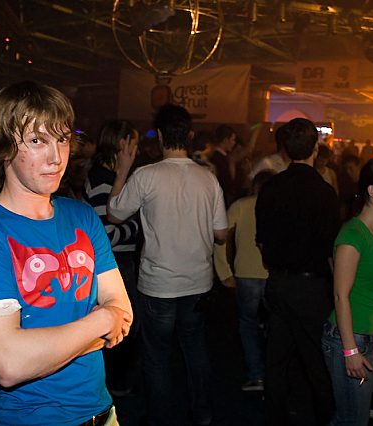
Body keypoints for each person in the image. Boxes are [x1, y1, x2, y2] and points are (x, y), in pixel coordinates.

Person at [0, 81, 133, 426]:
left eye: (62, 139)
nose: (56, 157)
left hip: (103, 414)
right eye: (37, 141)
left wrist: (43, 350)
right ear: (3, 147)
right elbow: (10, 365)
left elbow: (123, 314)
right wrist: (101, 320)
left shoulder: (82, 216)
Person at [107, 103, 228, 426]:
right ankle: (203, 413)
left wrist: (122, 170)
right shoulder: (208, 178)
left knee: (157, 355)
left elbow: (115, 214)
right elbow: (221, 233)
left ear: (159, 136)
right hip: (198, 282)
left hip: (158, 284)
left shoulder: (146, 176)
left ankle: (160, 418)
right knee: (195, 346)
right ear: (189, 135)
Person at [255, 118, 341, 426]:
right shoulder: (324, 193)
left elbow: (262, 243)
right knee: (317, 362)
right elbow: (332, 250)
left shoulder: (271, 188)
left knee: (276, 362)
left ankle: (275, 419)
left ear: (285, 149)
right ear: (316, 148)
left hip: (278, 283)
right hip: (311, 289)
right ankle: (326, 419)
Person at [321, 158, 373, 426]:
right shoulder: (352, 235)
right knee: (352, 419)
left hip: (371, 339)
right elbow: (340, 295)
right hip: (348, 339)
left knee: (354, 416)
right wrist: (350, 351)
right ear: (372, 191)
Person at [84, 119, 142, 397]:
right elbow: (106, 236)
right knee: (121, 324)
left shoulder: (107, 177)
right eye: (135, 143)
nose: (138, 149)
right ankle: (114, 385)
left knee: (123, 324)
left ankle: (114, 383)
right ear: (122, 144)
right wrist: (139, 226)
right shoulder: (101, 180)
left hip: (119, 261)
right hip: (114, 263)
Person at [214, 170, 275, 392]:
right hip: (273, 275)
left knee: (248, 325)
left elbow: (220, 237)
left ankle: (257, 375)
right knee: (276, 326)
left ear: (255, 186)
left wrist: (224, 271)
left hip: (246, 273)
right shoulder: (282, 206)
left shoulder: (241, 205)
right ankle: (276, 376)